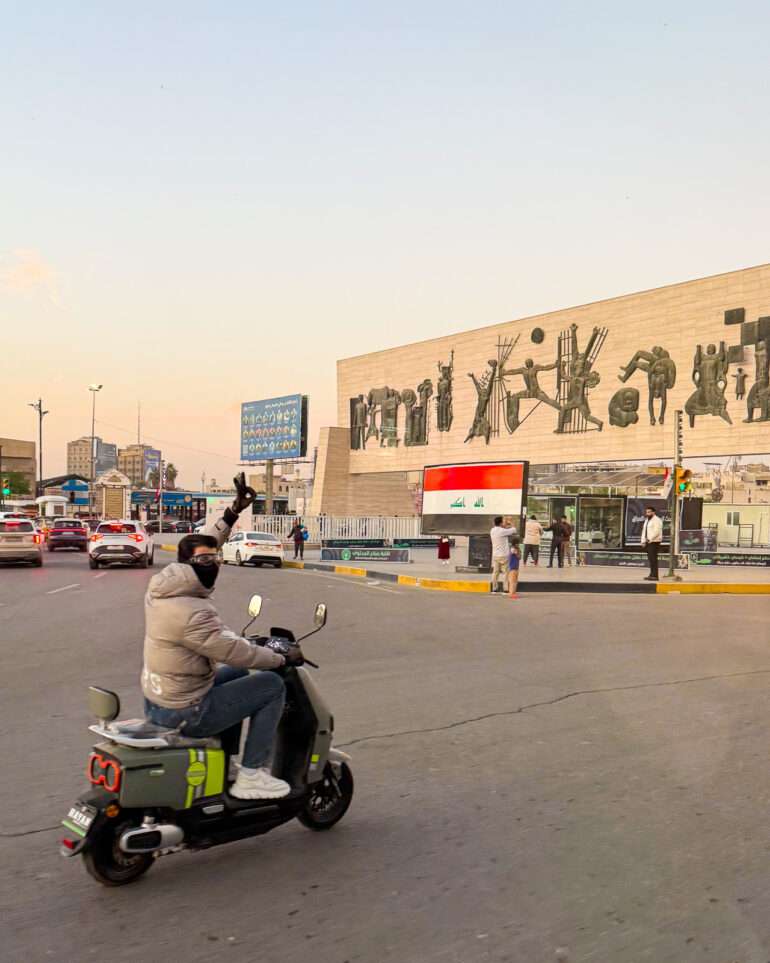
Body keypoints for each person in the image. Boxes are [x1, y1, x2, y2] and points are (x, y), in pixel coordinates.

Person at [142, 474, 297, 800]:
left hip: (160, 698)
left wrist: (232, 513)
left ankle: (224, 763)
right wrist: (280, 658)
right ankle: (253, 774)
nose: (212, 563)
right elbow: (233, 651)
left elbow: (206, 544)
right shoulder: (192, 610)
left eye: (214, 559)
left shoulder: (165, 584)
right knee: (271, 685)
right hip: (184, 711)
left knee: (238, 677)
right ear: (190, 564)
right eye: (205, 561)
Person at [490, 515, 517, 593]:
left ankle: (494, 588)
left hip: (495, 555)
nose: (505, 522)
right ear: (501, 523)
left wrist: (505, 524)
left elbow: (504, 529)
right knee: (506, 573)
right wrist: (510, 522)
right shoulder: (502, 531)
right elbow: (514, 530)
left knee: (495, 572)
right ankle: (505, 589)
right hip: (504, 555)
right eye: (503, 521)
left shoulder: (492, 530)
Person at [640, 505, 663, 581]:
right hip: (648, 541)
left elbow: (657, 531)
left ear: (653, 512)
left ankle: (655, 576)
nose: (647, 513)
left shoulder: (657, 520)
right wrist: (643, 541)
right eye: (647, 512)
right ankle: (651, 574)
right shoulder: (647, 520)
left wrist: (650, 539)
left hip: (654, 542)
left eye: (649, 512)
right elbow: (644, 531)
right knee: (650, 559)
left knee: (653, 559)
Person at [508, 533, 521, 599]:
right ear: (515, 543)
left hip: (516, 567)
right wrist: (518, 551)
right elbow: (518, 556)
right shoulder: (512, 549)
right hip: (512, 567)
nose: (518, 544)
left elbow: (519, 557)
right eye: (517, 543)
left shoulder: (516, 549)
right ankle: (511, 593)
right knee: (512, 581)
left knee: (515, 581)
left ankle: (514, 592)